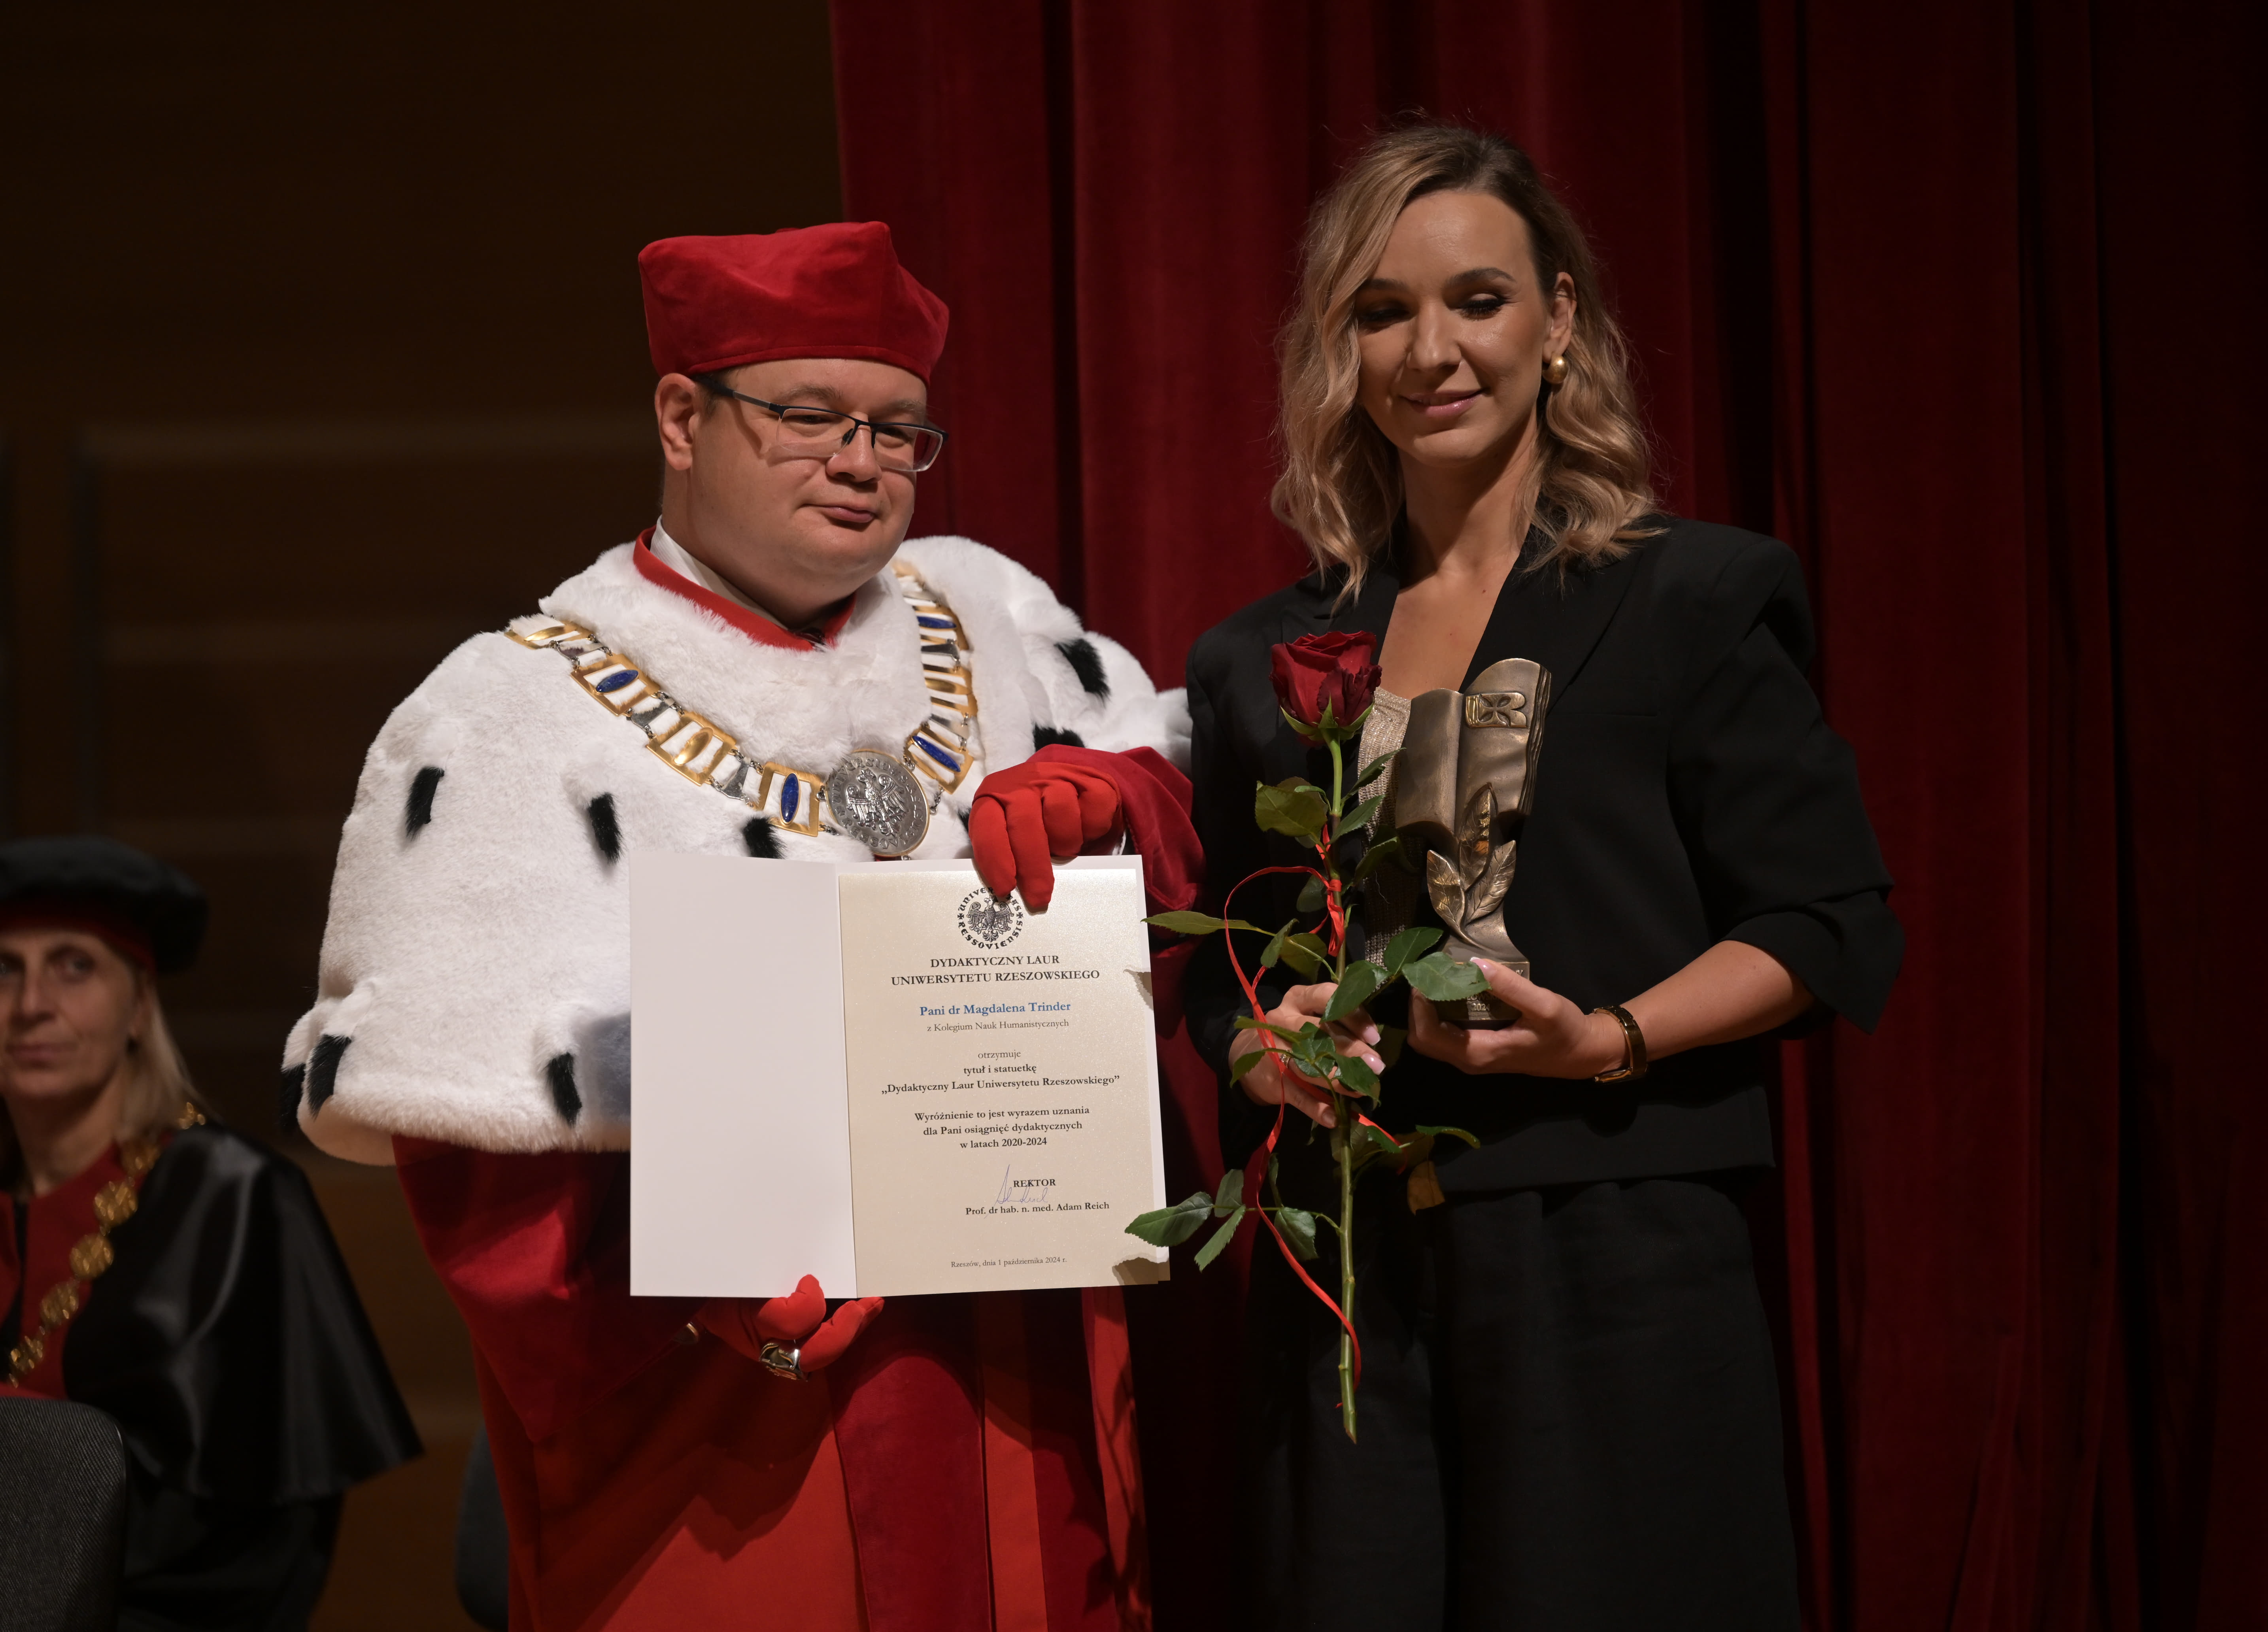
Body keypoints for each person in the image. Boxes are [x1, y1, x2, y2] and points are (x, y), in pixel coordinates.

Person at [285, 221, 1197, 1632]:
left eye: (895, 430)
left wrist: (1123, 795)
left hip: (1017, 1387)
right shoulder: (509, 713)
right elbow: (466, 1154)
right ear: (680, 417)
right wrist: (679, 1286)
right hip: (728, 1433)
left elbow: (1189, 880)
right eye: (809, 416)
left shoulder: (997, 625)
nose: (860, 461)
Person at [1183, 125, 1904, 1629]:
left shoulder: (1698, 595)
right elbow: (1223, 954)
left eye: (1478, 300)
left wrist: (1610, 1037)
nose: (1431, 350)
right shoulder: (1263, 655)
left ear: (1559, 318)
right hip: (1349, 1271)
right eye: (1382, 311)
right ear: (1340, 350)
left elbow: (1821, 920)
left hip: (1617, 1240)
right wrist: (1262, 1047)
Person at [0, 835, 419, 1631]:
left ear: (139, 1007)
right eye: (4, 970)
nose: (31, 1005)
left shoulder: (233, 1197)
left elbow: (259, 1538)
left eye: (75, 966)